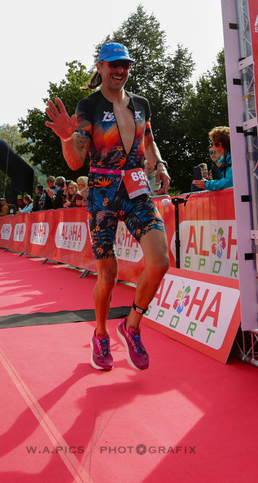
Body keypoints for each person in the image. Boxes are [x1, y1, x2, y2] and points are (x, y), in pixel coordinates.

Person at [45, 42, 171, 372]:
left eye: (125, 64)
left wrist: (159, 165)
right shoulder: (89, 105)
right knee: (109, 274)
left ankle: (131, 326)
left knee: (159, 262)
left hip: (137, 191)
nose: (120, 70)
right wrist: (64, 137)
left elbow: (149, 140)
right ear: (101, 67)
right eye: (114, 64)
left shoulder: (142, 104)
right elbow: (75, 162)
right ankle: (100, 334)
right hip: (102, 192)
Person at [193, 125, 233, 191]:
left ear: (219, 144)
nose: (213, 147)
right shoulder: (229, 160)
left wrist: (206, 184)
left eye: (213, 143)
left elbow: (229, 182)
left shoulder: (233, 160)